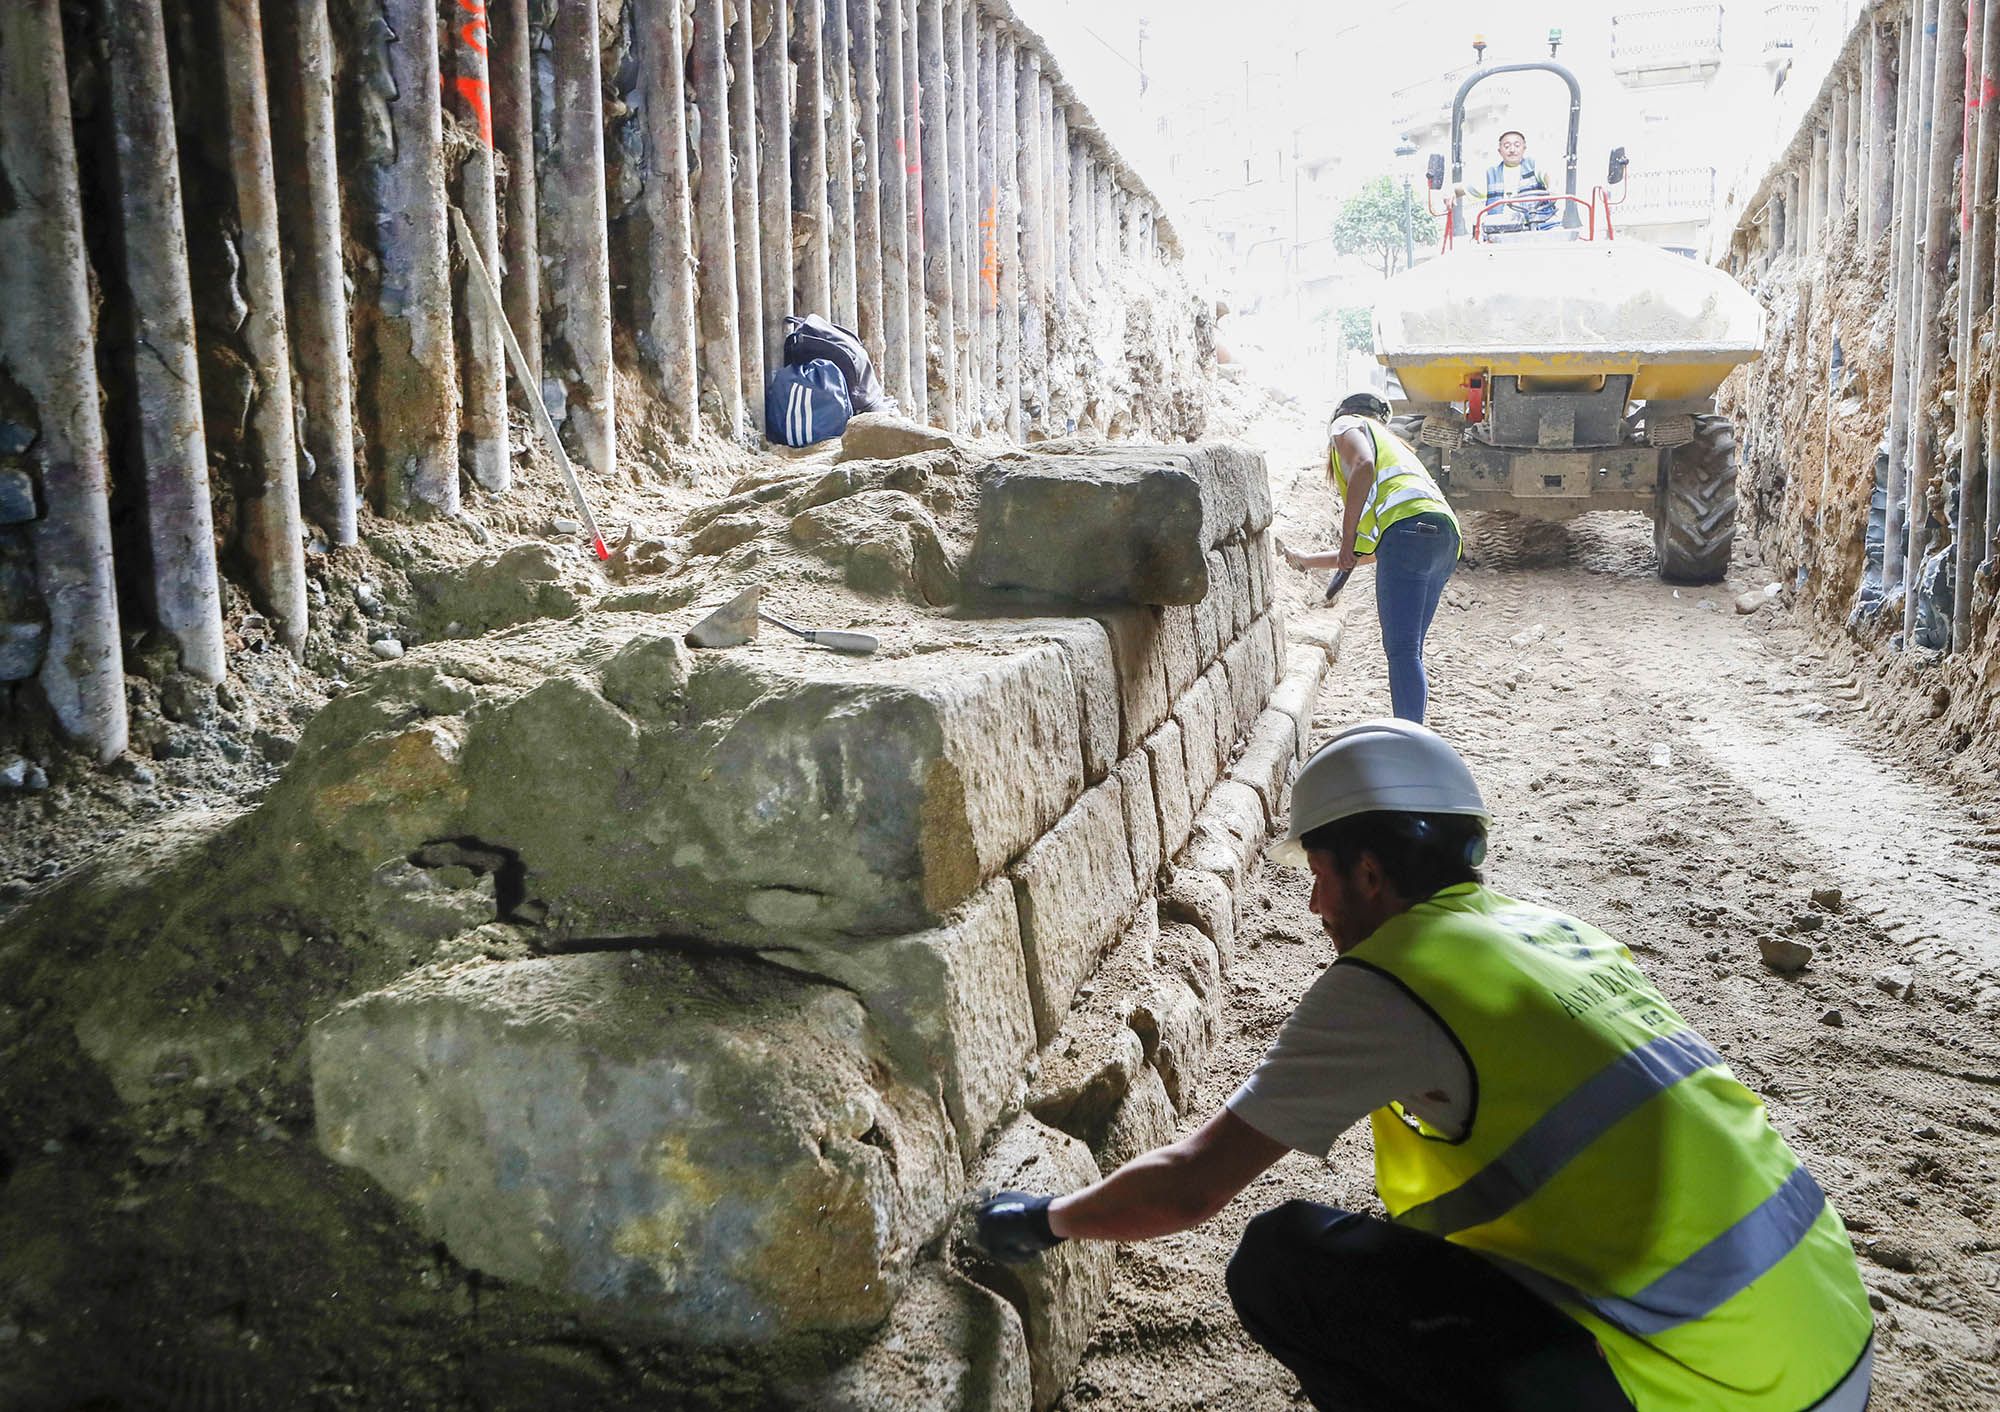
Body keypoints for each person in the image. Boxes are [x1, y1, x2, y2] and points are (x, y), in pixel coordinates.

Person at [975, 719, 1875, 1412]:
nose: (1318, 905)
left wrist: (1040, 1220)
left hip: (1708, 1389)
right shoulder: (1558, 934)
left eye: (1319, 874)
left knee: (1282, 1262)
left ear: (1369, 871)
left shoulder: (1392, 978)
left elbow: (1186, 1191)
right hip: (1827, 1348)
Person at [1281, 392, 1460, 723]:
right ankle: (1414, 734)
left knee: (1403, 651)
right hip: (1444, 539)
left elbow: (1362, 465)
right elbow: (1368, 554)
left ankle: (1410, 744)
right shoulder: (1397, 455)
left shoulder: (1346, 424)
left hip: (1407, 535)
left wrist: (1346, 537)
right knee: (1411, 653)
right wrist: (1306, 560)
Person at [1455, 129, 1558, 231]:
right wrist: (1451, 193)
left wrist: (1551, 188)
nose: (1512, 150)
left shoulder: (1533, 165)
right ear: (1500, 151)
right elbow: (1465, 188)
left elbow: (1547, 175)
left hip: (1540, 225)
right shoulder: (1491, 175)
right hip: (1503, 231)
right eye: (1507, 146)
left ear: (1524, 148)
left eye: (1517, 145)